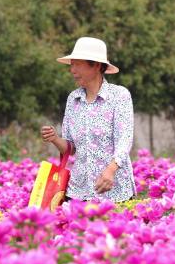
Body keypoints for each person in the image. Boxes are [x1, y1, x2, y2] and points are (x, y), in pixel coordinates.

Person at [41, 37, 135, 202]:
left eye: (77, 64)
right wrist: (55, 139)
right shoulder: (73, 99)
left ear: (96, 65)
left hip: (113, 190)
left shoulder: (119, 96)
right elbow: (71, 148)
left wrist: (110, 171)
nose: (72, 70)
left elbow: (124, 140)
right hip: (79, 191)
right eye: (72, 65)